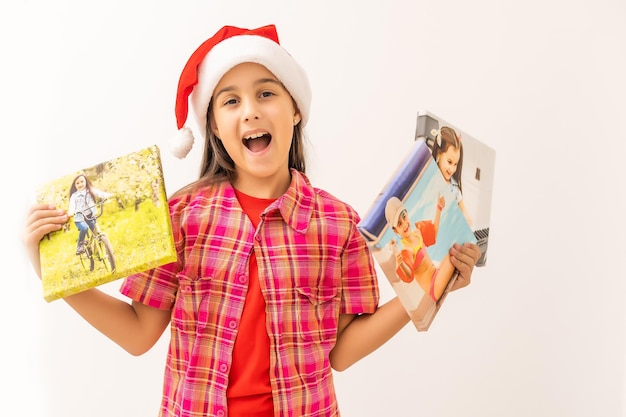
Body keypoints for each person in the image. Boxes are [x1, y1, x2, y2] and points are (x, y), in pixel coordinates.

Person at [23, 24, 481, 417]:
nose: (251, 110)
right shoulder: (181, 217)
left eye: (266, 93)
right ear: (216, 127)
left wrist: (430, 289)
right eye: (230, 101)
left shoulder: (339, 223)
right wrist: (54, 272)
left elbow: (340, 353)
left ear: (295, 109)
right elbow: (140, 333)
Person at [385, 195, 456, 302]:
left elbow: (433, 234)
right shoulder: (407, 249)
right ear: (396, 231)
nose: (405, 224)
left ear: (407, 213)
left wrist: (439, 208)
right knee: (454, 258)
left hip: (436, 273)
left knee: (454, 250)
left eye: (404, 217)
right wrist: (401, 264)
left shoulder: (417, 233)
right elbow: (409, 274)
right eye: (399, 224)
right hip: (433, 287)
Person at [431, 126, 473, 227]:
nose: (453, 169)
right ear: (439, 153)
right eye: (449, 162)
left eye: (455, 164)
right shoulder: (432, 177)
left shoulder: (454, 188)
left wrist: (469, 223)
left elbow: (463, 210)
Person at [66, 173, 113, 255]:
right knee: (84, 228)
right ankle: (80, 245)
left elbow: (99, 193)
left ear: (86, 181)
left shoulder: (90, 190)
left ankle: (100, 250)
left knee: (96, 233)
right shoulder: (74, 196)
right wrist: (71, 212)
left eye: (82, 182)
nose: (80, 184)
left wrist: (108, 196)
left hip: (90, 216)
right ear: (75, 185)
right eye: (77, 183)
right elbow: (72, 205)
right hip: (79, 218)